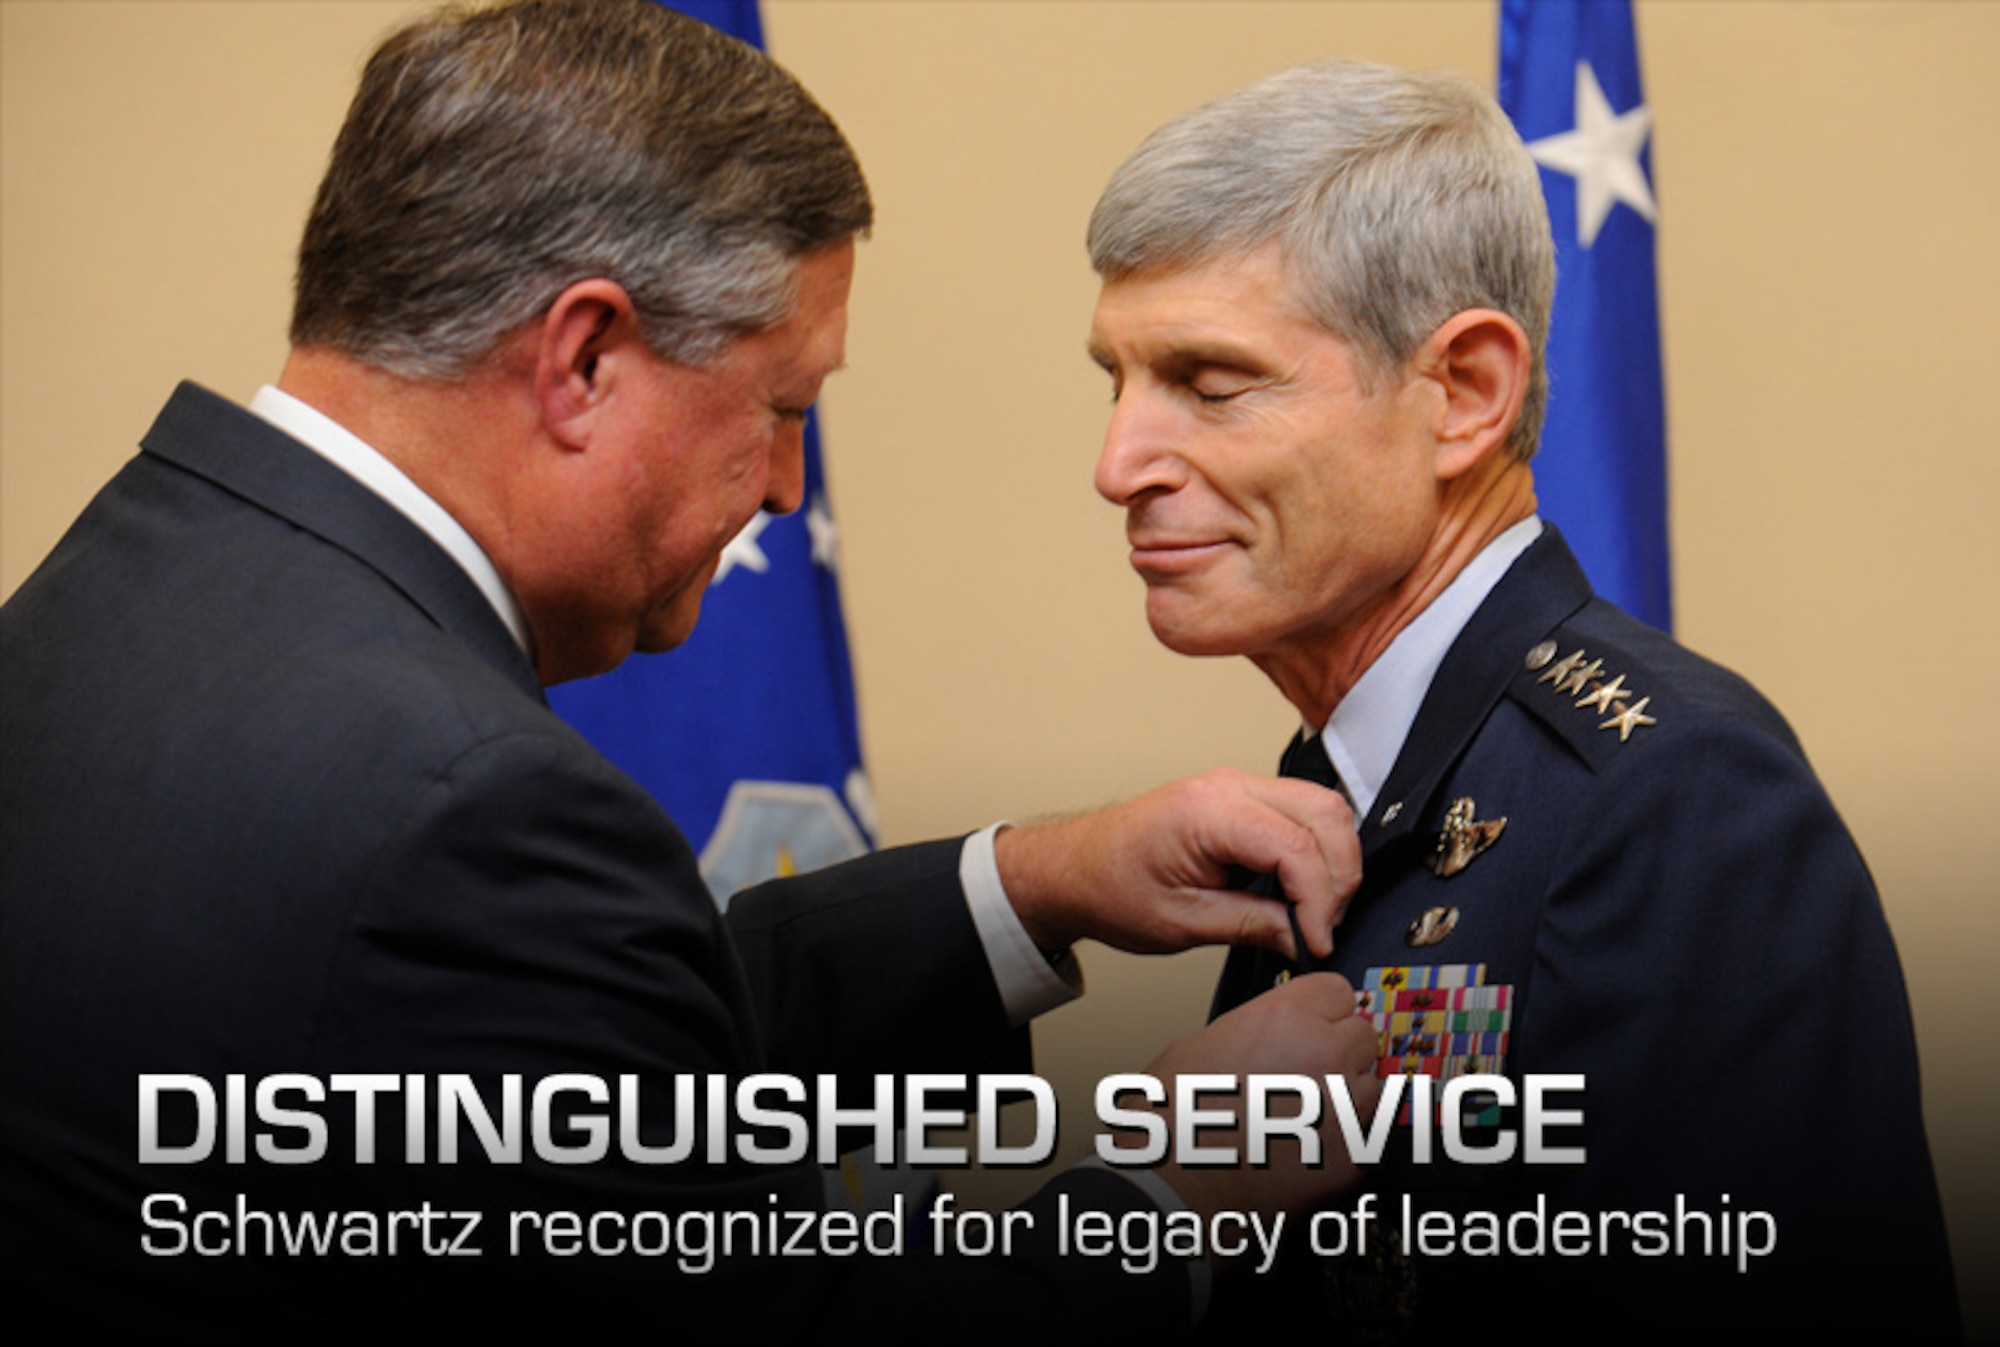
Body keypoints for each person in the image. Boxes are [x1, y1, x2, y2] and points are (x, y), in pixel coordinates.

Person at [0, 3, 1381, 1338]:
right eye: (782, 408)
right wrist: (1180, 1187)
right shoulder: (461, 801)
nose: (787, 487)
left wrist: (1032, 885)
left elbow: (550, 1048)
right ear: (585, 357)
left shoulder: (121, 588)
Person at [1083, 60, 1958, 1342]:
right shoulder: (1346, 768)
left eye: (1210, 386)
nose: (1116, 466)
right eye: (1112, 382)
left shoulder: (1670, 793)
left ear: (1465, 395)